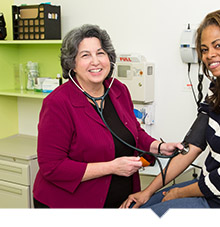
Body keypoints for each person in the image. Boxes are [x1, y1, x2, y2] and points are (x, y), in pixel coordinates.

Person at [121, 9, 220, 216]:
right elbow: (193, 146)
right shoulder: (219, 88)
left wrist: (179, 193)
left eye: (218, 46)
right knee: (141, 207)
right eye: (204, 49)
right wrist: (147, 191)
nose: (209, 55)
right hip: (211, 195)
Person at [32, 24, 183, 208]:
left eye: (100, 53)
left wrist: (158, 147)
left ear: (109, 58)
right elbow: (52, 167)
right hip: (69, 204)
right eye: (85, 55)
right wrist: (111, 167)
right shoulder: (58, 103)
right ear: (72, 63)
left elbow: (133, 132)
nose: (95, 61)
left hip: (119, 200)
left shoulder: (118, 89)